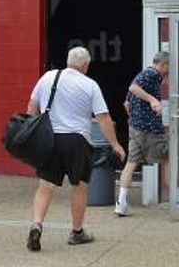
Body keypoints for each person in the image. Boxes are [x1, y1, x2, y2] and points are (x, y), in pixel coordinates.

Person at [25, 46, 125, 251]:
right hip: (77, 140)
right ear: (86, 65)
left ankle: (37, 223)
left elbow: (31, 108)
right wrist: (115, 144)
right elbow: (103, 117)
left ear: (68, 61)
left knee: (46, 185)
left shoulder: (47, 77)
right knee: (79, 185)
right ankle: (77, 232)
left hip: (50, 138)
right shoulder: (90, 85)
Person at [115, 51, 170, 217]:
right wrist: (153, 100)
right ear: (163, 64)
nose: (168, 72)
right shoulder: (152, 74)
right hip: (149, 128)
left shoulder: (143, 74)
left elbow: (126, 102)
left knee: (132, 162)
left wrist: (136, 111)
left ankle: (121, 202)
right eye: (168, 68)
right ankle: (177, 199)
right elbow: (133, 88)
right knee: (168, 157)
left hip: (135, 126)